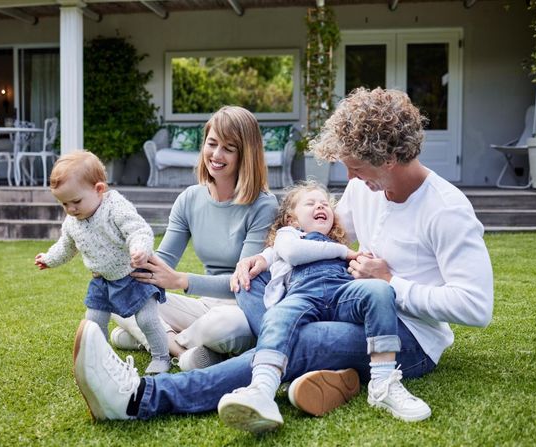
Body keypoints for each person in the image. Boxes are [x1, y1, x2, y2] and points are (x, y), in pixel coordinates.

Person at [70, 87, 493, 426]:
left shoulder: (447, 209)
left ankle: (139, 398)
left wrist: (391, 284)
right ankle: (329, 372)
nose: (350, 178)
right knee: (255, 280)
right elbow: (317, 234)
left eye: (356, 167)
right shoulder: (368, 189)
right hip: (345, 307)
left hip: (405, 337)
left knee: (291, 341)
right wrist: (267, 257)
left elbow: (476, 306)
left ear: (390, 157)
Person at [217, 181, 430, 433]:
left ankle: (382, 382)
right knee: (277, 317)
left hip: (342, 291)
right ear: (291, 219)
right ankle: (262, 389)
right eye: (310, 203)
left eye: (325, 204)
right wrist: (344, 252)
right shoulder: (289, 236)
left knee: (380, 290)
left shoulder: (333, 242)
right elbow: (292, 252)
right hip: (303, 294)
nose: (320, 205)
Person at [109, 105, 278, 370]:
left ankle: (153, 338)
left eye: (229, 148)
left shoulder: (264, 205)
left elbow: (243, 283)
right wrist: (126, 267)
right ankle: (181, 352)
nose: (216, 155)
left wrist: (181, 281)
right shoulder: (189, 198)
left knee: (222, 327)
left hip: (240, 310)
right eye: (212, 143)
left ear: (246, 155)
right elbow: (162, 261)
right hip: (202, 306)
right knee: (120, 296)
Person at [35, 150, 169, 374]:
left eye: (75, 201)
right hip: (102, 281)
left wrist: (139, 249)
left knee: (146, 319)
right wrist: (49, 259)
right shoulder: (72, 222)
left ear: (99, 189)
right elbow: (66, 247)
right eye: (64, 204)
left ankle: (161, 357)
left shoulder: (114, 207)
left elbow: (138, 229)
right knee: (94, 322)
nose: (70, 209)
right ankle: (102, 359)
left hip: (135, 275)